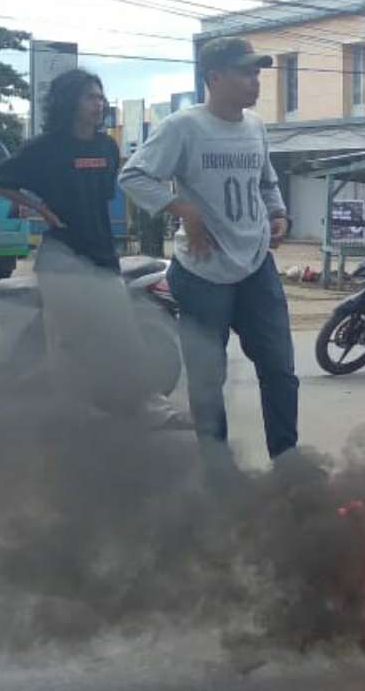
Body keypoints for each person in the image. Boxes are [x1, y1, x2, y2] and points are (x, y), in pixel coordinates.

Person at [119, 37, 299, 461]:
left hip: (256, 265)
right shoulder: (183, 127)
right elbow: (134, 176)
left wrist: (278, 214)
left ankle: (288, 462)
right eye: (245, 73)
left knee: (279, 369)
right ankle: (216, 468)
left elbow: (266, 182)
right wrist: (182, 208)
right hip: (202, 271)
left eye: (256, 73)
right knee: (207, 379)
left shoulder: (255, 127)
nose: (254, 81)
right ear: (214, 77)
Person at [0, 68, 191, 430]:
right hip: (60, 257)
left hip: (101, 254)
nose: (98, 104)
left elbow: (102, 196)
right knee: (67, 342)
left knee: (122, 332)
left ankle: (145, 405)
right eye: (89, 97)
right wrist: (39, 208)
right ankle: (77, 415)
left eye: (100, 97)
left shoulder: (106, 147)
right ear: (69, 102)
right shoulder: (45, 147)